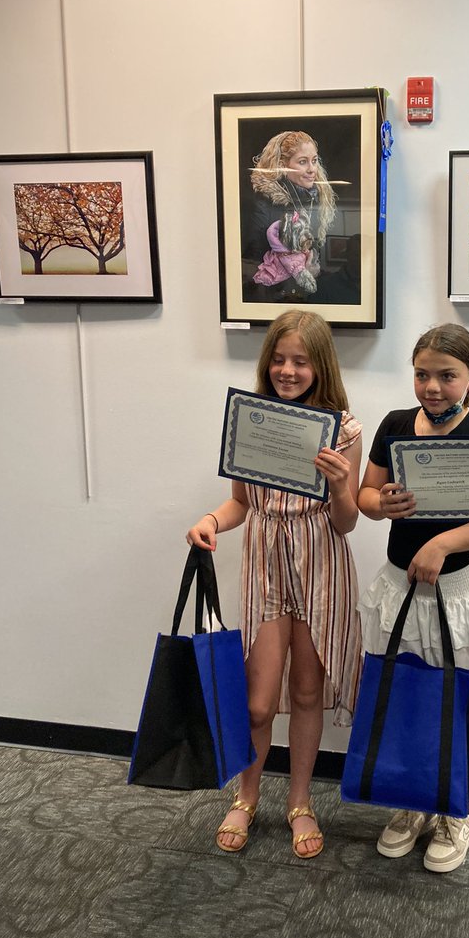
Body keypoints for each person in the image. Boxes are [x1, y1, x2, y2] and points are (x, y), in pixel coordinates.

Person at [187, 309, 362, 859]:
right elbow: (240, 502)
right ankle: (247, 794)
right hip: (265, 562)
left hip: (320, 563)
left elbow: (347, 521)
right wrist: (212, 521)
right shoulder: (251, 418)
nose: (288, 371)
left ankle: (301, 800)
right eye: (279, 360)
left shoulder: (344, 428)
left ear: (321, 365)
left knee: (308, 690)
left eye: (300, 361)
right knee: (258, 702)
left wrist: (337, 487)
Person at [356, 324, 469, 873]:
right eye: (422, 374)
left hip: (461, 593)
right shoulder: (396, 425)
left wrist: (442, 544)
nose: (432, 387)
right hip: (402, 589)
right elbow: (364, 497)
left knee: (461, 702)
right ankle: (412, 804)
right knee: (406, 696)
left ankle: (457, 810)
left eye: (446, 376)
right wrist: (383, 504)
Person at [247, 131, 337, 301]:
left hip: (305, 299)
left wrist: (315, 271)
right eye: (303, 162)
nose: (312, 169)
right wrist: (301, 274)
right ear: (282, 165)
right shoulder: (264, 204)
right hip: (273, 300)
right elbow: (253, 265)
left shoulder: (316, 200)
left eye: (315, 161)